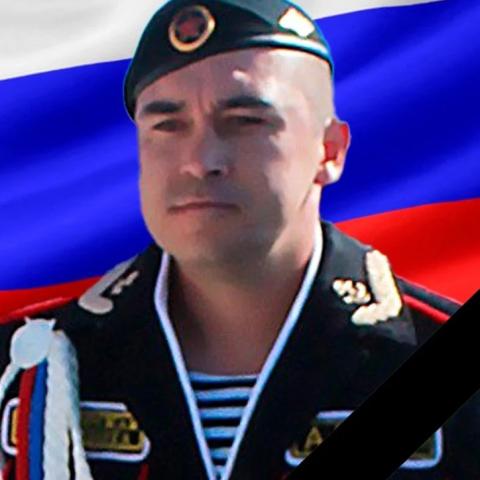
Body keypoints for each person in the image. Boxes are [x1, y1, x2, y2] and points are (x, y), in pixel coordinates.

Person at [0, 0, 477, 479]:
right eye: (167, 125)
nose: (200, 160)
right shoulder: (29, 365)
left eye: (245, 120)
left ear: (328, 150)